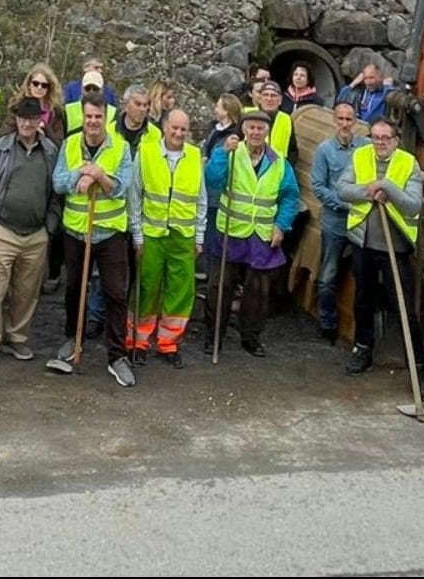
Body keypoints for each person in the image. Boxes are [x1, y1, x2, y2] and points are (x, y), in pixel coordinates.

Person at [51, 94, 140, 385]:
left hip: (110, 231)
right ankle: (72, 340)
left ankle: (117, 355)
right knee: (75, 288)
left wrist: (100, 176)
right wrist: (82, 172)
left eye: (98, 117)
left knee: (115, 292)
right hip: (77, 230)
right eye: (88, 116)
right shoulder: (70, 144)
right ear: (83, 117)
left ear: (106, 118)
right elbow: (59, 182)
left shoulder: (121, 147)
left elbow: (121, 188)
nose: (92, 122)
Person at [337, 119, 424, 392]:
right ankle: (363, 347)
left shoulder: (408, 163)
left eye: (386, 138)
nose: (380, 142)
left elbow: (412, 205)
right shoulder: (360, 155)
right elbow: (343, 189)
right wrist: (368, 191)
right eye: (375, 137)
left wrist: (387, 187)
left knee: (402, 306)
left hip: (395, 247)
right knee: (363, 298)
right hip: (362, 241)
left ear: (396, 140)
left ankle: (417, 363)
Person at [203, 107, 301, 361]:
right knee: (219, 287)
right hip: (230, 230)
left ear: (267, 131)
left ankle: (251, 336)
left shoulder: (279, 162)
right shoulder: (230, 152)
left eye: (261, 128)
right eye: (251, 127)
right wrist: (223, 154)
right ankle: (214, 335)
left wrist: (281, 225)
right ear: (244, 129)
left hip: (262, 234)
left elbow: (290, 196)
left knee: (257, 292)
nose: (256, 132)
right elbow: (212, 180)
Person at [0, 96, 61, 368]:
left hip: (36, 234)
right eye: (22, 118)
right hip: (3, 230)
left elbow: (57, 193)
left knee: (26, 292)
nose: (27, 123)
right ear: (16, 119)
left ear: (39, 121)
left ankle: (16, 338)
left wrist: (49, 227)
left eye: (32, 118)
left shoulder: (50, 152)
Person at [132, 109, 204, 368]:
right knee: (147, 288)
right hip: (152, 234)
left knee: (181, 291)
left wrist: (199, 237)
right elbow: (135, 196)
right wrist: (137, 234)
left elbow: (201, 199)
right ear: (164, 127)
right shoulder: (147, 152)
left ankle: (168, 343)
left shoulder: (195, 156)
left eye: (183, 129)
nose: (178, 133)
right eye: (174, 128)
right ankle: (138, 342)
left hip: (183, 237)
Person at [308, 102, 361, 342]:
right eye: (340, 119)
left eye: (349, 119)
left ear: (355, 122)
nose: (344, 124)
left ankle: (357, 326)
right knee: (329, 274)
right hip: (336, 220)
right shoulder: (324, 150)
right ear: (334, 121)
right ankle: (327, 321)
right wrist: (343, 203)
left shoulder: (365, 147)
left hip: (361, 221)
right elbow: (318, 187)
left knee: (362, 273)